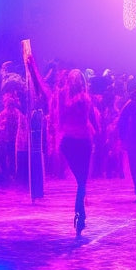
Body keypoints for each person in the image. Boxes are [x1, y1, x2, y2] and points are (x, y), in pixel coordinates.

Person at [57, 69, 98, 236]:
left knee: (81, 181)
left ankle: (80, 216)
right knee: (82, 181)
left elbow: (59, 119)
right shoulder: (86, 99)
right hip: (82, 141)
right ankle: (79, 216)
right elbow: (92, 121)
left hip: (69, 142)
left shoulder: (62, 98)